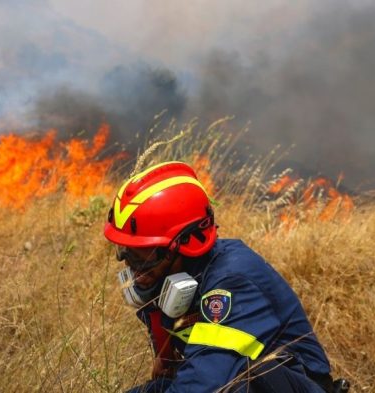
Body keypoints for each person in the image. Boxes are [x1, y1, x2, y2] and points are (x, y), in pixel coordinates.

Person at [103, 161, 346, 393]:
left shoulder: (232, 281)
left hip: (279, 385)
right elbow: (172, 368)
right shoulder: (166, 281)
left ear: (184, 244)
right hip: (226, 379)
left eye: (143, 255)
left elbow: (203, 385)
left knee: (242, 380)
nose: (132, 267)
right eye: (125, 252)